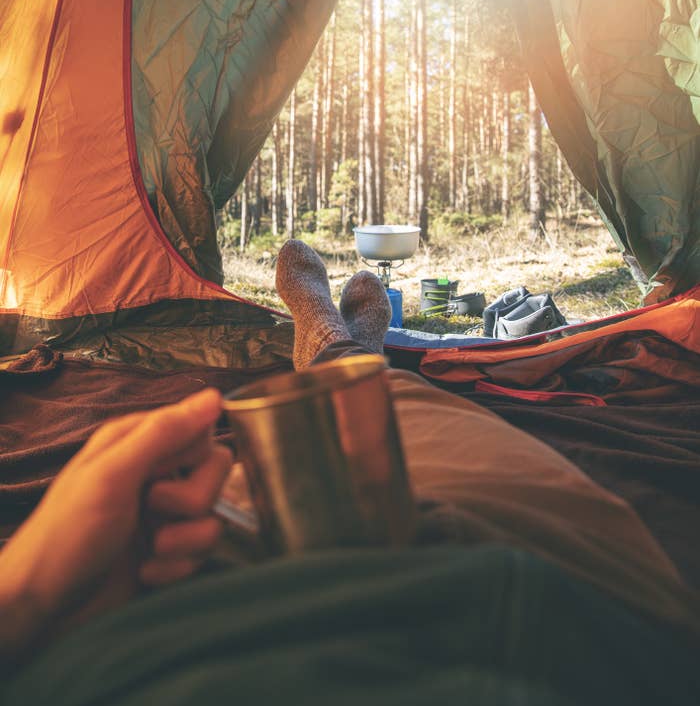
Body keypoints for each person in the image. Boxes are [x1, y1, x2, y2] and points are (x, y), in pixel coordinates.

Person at [0, 241, 698, 705]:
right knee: (395, 405)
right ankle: (346, 351)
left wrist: (27, 594)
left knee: (296, 457)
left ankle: (334, 346)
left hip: (180, 605)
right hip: (544, 593)